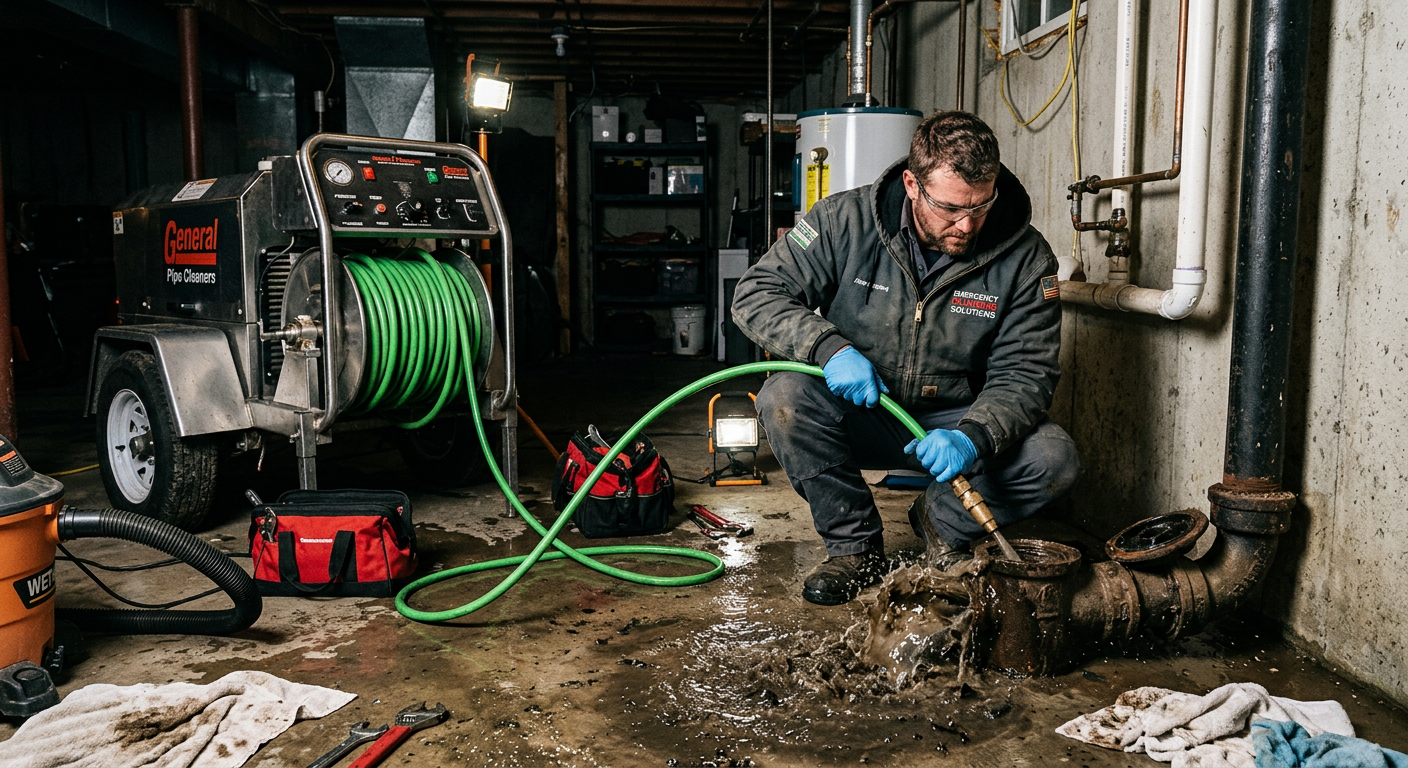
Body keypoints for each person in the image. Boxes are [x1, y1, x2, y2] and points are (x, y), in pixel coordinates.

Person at [731, 110, 1081, 606]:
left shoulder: (1026, 258)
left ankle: (941, 522)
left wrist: (972, 435)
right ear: (913, 184)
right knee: (784, 397)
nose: (967, 225)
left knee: (1054, 459)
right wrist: (829, 349)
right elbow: (757, 293)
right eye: (951, 208)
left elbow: (1026, 372)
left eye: (981, 207)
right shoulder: (842, 222)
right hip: (862, 410)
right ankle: (854, 549)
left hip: (953, 420)